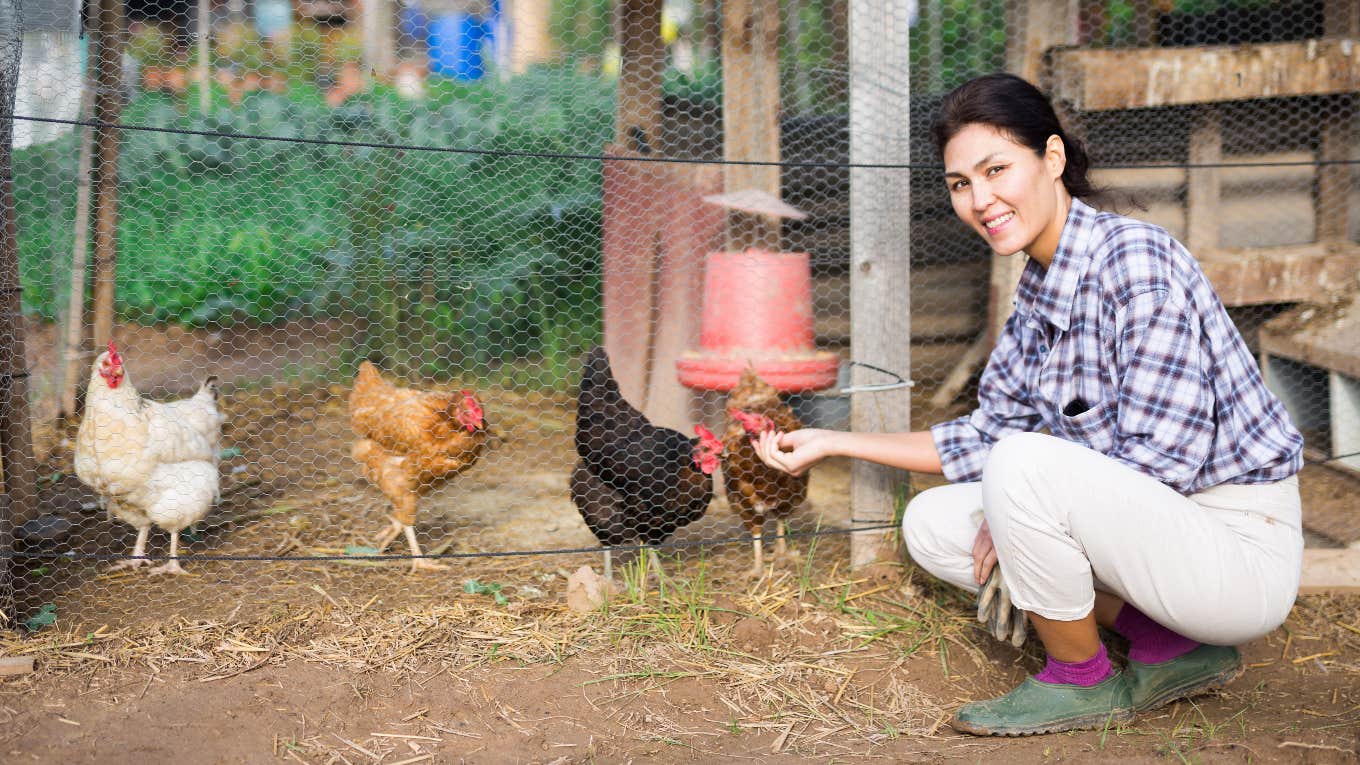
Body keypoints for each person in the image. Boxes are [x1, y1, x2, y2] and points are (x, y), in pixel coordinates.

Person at [753, 72, 1304, 736]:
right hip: (1160, 541)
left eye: (996, 169)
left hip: (1234, 550)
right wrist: (831, 443)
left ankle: (1080, 678)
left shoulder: (1136, 263)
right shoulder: (1036, 295)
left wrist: (1018, 508)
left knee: (1014, 471)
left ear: (1052, 158)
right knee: (931, 523)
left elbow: (1166, 464)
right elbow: (983, 438)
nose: (980, 199)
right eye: (961, 183)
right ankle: (1171, 646)